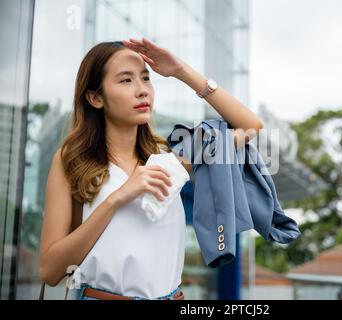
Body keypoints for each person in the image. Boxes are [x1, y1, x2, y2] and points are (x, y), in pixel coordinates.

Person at [39, 37, 264, 300]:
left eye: (146, 78)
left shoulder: (169, 160)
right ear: (96, 97)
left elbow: (250, 126)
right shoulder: (71, 160)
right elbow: (50, 270)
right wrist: (117, 198)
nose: (142, 90)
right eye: (126, 80)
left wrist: (180, 70)